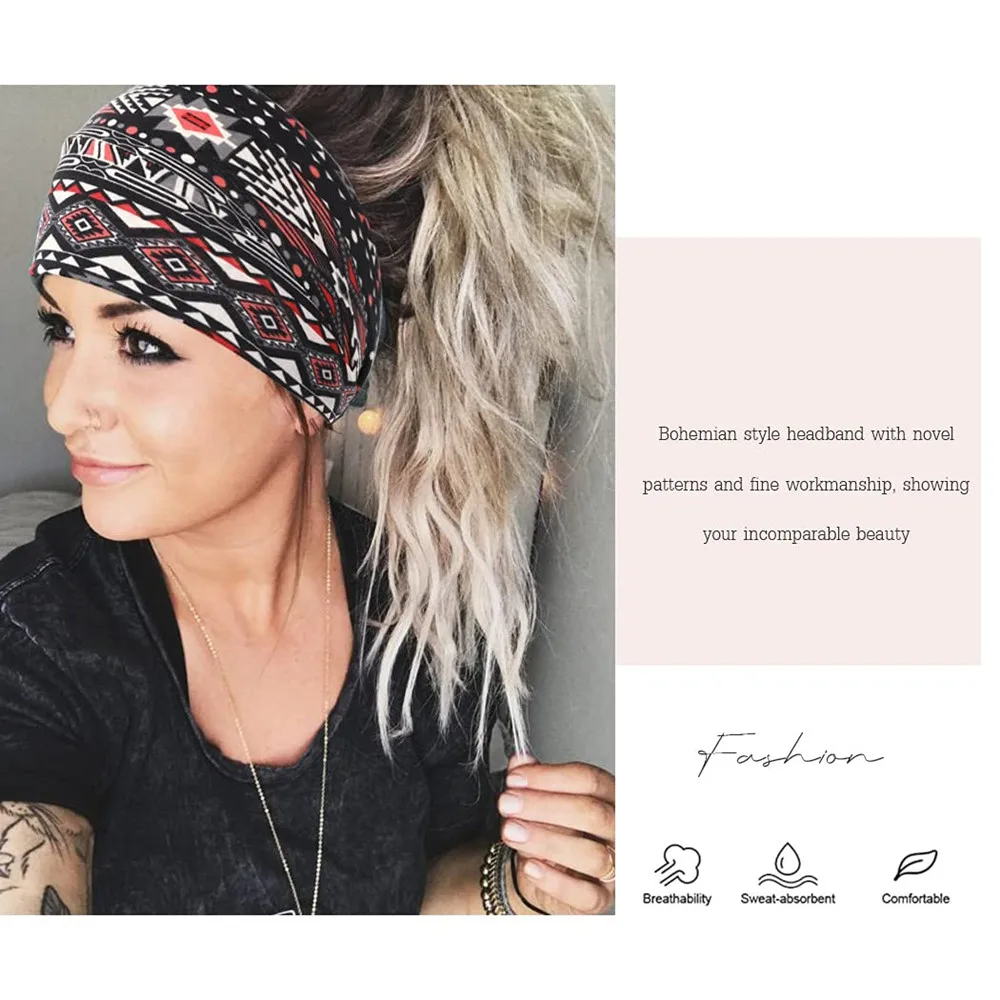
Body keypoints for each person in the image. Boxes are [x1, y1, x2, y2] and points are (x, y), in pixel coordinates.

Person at [0, 84, 615, 915]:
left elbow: (431, 879)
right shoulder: (35, 636)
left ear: (305, 382)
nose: (64, 404)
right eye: (61, 330)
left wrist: (521, 887)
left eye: (141, 344)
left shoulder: (423, 619)